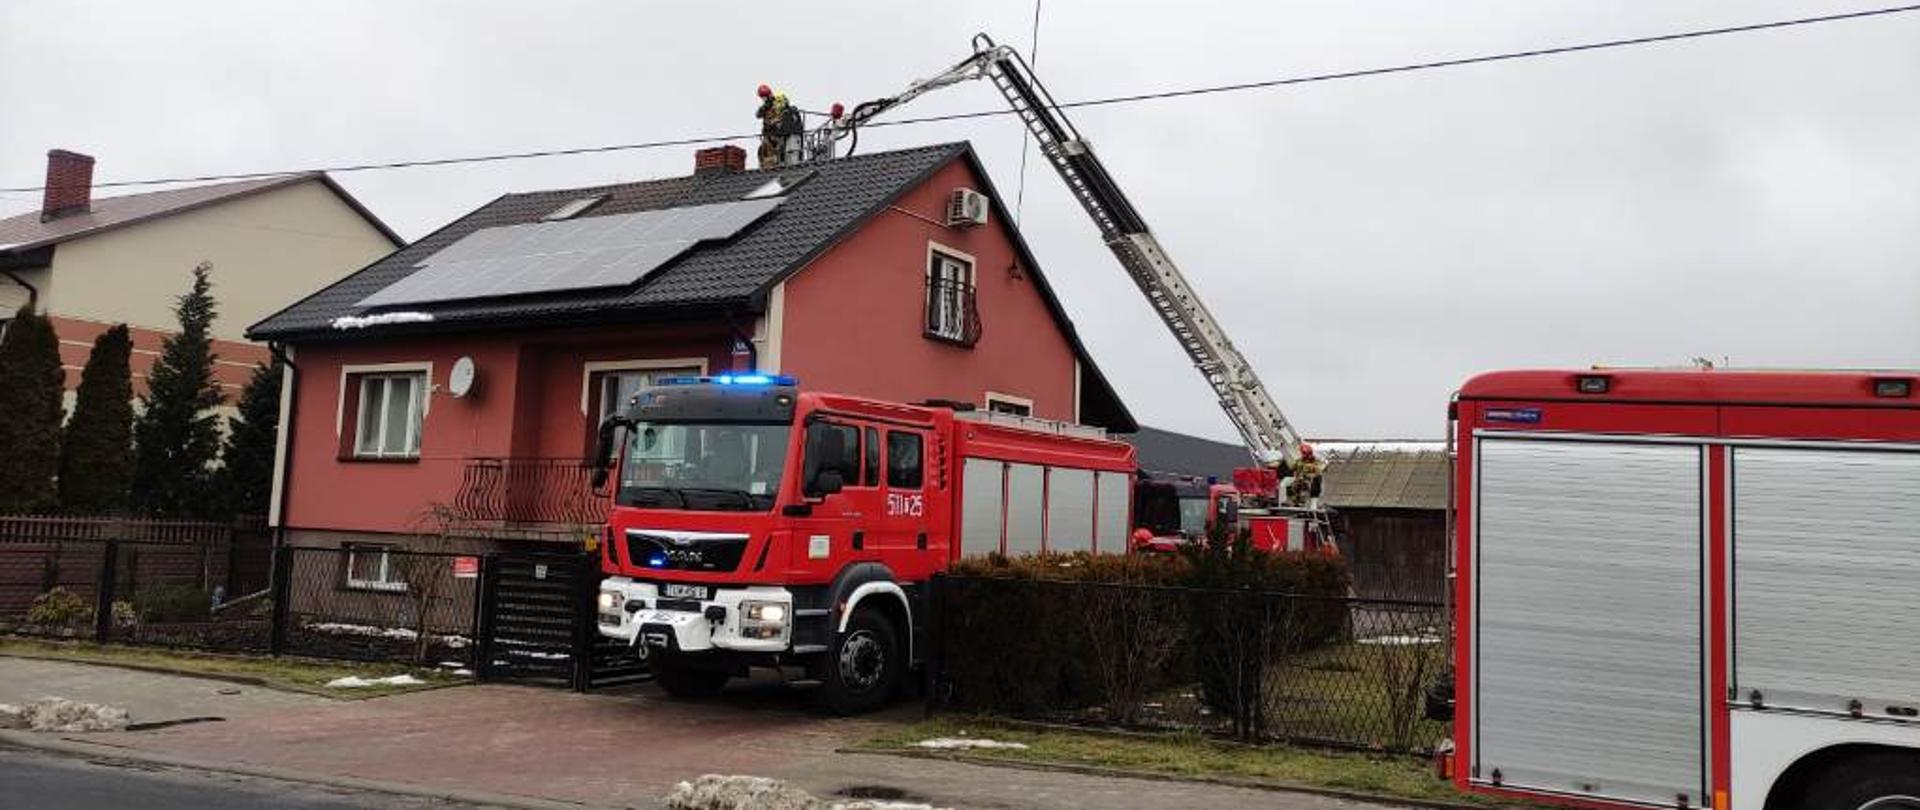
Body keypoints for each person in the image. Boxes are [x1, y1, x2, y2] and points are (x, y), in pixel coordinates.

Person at [755, 85, 804, 169]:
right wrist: (765, 107)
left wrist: (773, 123)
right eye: (762, 97)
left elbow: (779, 118)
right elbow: (758, 114)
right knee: (762, 151)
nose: (763, 99)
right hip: (769, 133)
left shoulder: (778, 104)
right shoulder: (766, 106)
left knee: (778, 150)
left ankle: (775, 164)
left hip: (777, 133)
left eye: (764, 97)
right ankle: (767, 166)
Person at [1286, 443, 1323, 507]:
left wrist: (1308, 470)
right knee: (1292, 487)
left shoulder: (1315, 461)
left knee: (1303, 488)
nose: (1303, 454)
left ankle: (1302, 502)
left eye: (1304, 453)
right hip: (1299, 480)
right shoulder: (1299, 461)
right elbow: (1292, 467)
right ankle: (1295, 502)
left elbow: (1318, 471)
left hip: (1310, 481)